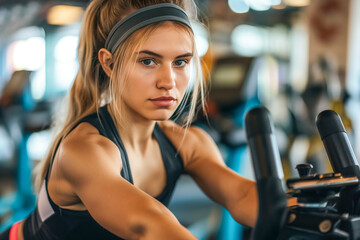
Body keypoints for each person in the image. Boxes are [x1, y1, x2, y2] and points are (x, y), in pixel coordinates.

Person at [0, 0, 258, 239]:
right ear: (109, 64)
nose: (168, 82)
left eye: (180, 62)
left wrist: (291, 206)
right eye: (148, 61)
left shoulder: (186, 142)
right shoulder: (83, 150)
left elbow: (241, 193)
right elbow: (147, 223)